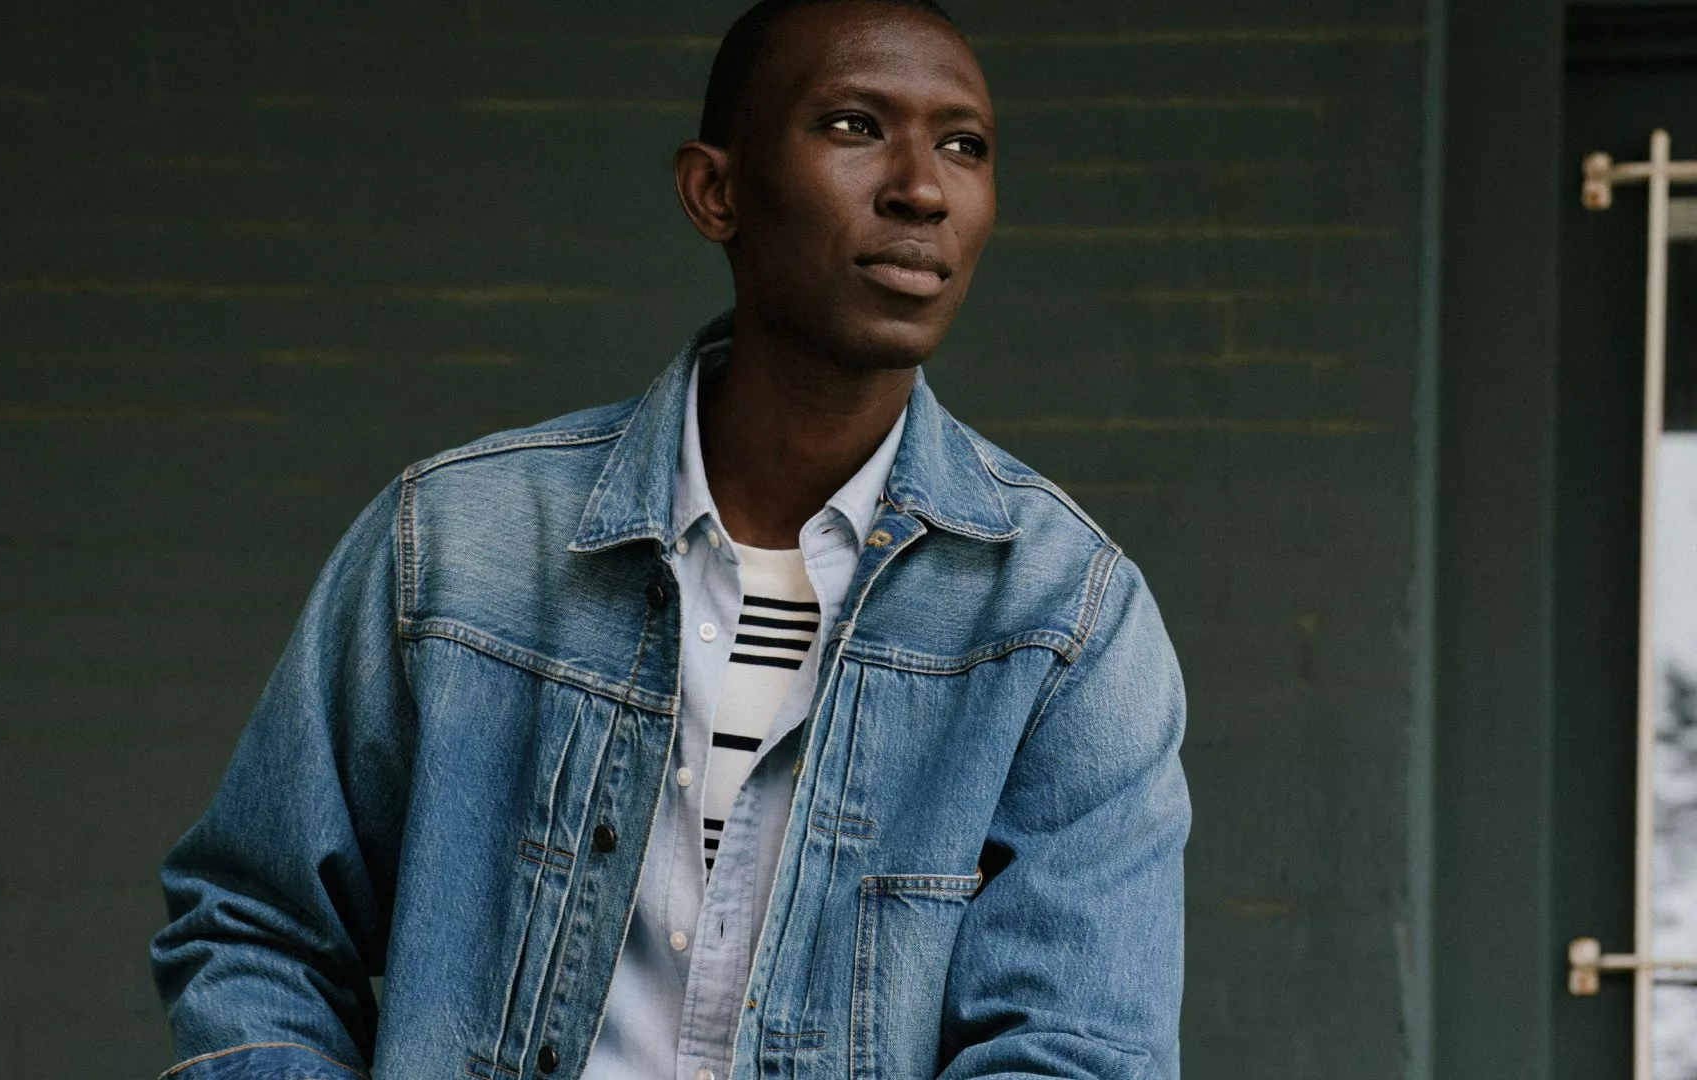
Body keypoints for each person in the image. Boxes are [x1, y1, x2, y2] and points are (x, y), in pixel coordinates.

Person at [148, 1, 1191, 1078]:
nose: (922, 188)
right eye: (853, 127)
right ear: (716, 191)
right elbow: (253, 923)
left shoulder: (1060, 617)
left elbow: (1077, 1051)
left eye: (964, 146)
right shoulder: (460, 548)